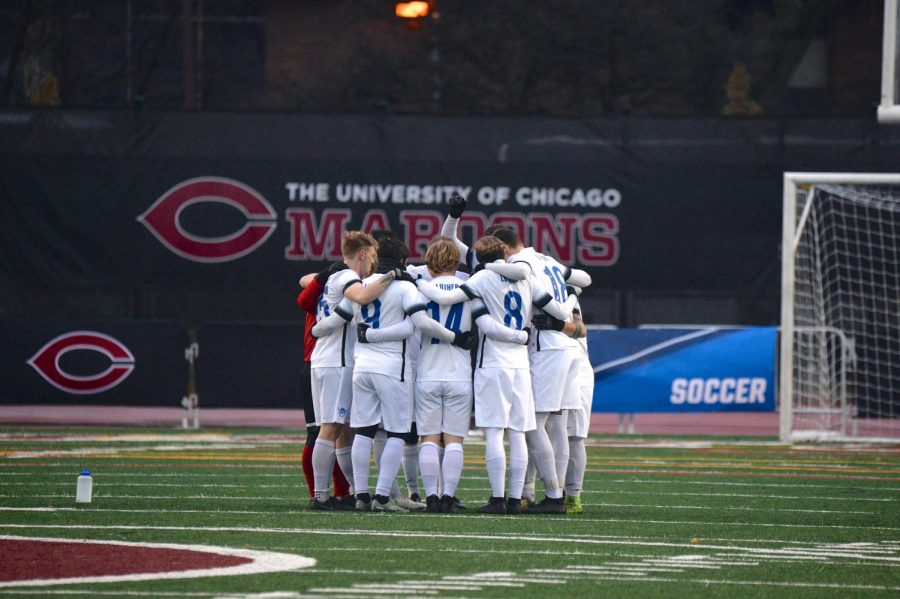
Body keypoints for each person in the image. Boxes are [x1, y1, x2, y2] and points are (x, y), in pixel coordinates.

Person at [415, 235, 578, 515]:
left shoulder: (481, 279)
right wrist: (572, 294)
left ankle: (498, 498)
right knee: (517, 433)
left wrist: (418, 282)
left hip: (492, 364)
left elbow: (445, 297)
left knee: (494, 434)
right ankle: (516, 499)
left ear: (479, 256)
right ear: (504, 251)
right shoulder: (527, 278)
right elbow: (561, 311)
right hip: (521, 367)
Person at [312, 235, 470, 511]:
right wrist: (454, 338)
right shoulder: (405, 288)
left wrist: (316, 331)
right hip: (392, 368)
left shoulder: (361, 286)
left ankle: (361, 494)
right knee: (396, 433)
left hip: (362, 368)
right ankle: (382, 495)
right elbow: (417, 324)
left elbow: (334, 320)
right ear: (402, 261)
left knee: (363, 431)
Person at [307, 231, 401, 510]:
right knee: (331, 427)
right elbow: (361, 296)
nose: (374, 263)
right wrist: (393, 275)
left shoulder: (333, 277)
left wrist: (322, 326)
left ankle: (349, 492)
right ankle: (320, 495)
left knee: (343, 429)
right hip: (337, 360)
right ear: (362, 254)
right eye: (372, 256)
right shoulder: (347, 276)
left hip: (327, 358)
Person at [295, 269, 353, 508]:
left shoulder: (340, 285)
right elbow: (304, 284)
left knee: (340, 430)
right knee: (319, 432)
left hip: (330, 362)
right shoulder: (334, 286)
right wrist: (327, 275)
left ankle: (342, 491)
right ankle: (317, 493)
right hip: (319, 362)